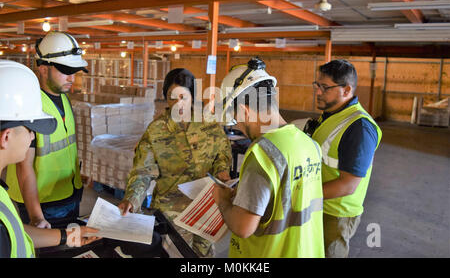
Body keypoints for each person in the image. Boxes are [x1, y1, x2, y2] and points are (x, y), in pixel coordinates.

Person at [213, 57, 325, 258]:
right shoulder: (309, 144)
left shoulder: (262, 152)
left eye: (235, 119)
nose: (237, 126)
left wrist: (222, 201)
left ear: (244, 110)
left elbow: (243, 227)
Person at [118, 68, 232, 257]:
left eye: (184, 97)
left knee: (204, 255)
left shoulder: (209, 124)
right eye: (172, 98)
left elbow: (222, 153)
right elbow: (142, 172)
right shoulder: (156, 130)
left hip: (205, 208)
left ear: (192, 97)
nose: (178, 104)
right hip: (172, 215)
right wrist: (132, 198)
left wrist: (222, 171)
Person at [0, 60, 99, 258]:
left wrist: (67, 236)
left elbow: (16, 232)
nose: (32, 137)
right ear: (6, 137)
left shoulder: (2, 194)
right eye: (31, 131)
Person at [5, 32, 89, 229]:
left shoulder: (63, 97)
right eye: (65, 70)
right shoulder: (30, 106)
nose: (72, 77)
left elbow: (63, 146)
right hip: (44, 204)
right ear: (43, 69)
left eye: (74, 71)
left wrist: (74, 174)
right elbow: (24, 167)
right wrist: (36, 217)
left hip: (70, 193)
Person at [308, 59, 382, 258]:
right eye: (317, 85)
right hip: (319, 204)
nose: (318, 92)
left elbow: (348, 185)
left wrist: (301, 195)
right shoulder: (330, 115)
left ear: (347, 89)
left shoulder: (359, 127)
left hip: (336, 214)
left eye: (325, 87)